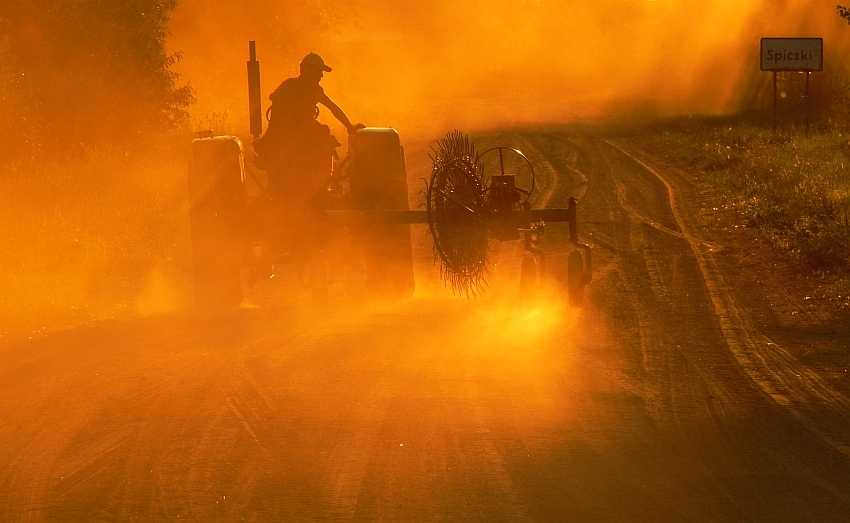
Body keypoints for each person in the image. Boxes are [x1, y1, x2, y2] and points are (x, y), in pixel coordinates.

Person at [254, 52, 364, 201]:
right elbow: (333, 108)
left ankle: (278, 188)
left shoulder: (287, 85)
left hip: (275, 140)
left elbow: (274, 99)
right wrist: (350, 127)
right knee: (328, 139)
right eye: (319, 71)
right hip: (296, 140)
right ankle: (323, 186)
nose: (321, 76)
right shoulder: (313, 90)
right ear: (308, 70)